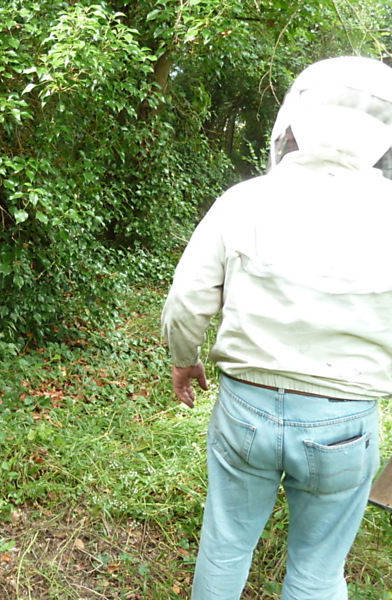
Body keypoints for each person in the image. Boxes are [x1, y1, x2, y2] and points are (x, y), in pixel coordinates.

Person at [161, 56, 392, 600]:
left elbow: (186, 300)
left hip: (247, 409)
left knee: (225, 546)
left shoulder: (246, 199)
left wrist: (183, 357)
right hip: (346, 419)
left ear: (294, 123)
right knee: (316, 569)